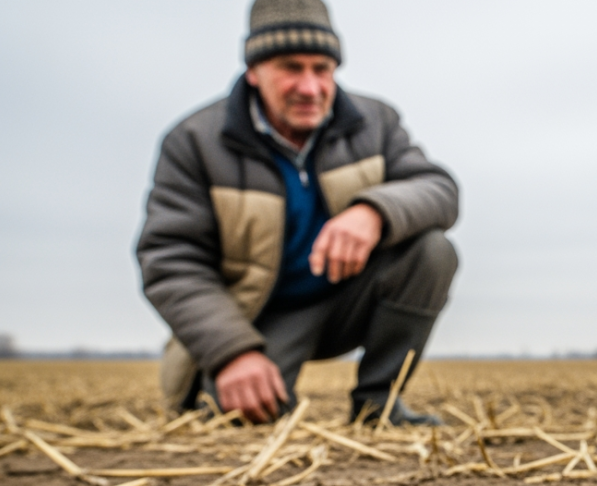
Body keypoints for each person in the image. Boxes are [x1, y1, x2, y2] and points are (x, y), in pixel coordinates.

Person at [136, 0, 458, 425]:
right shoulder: (193, 141)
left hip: (348, 299)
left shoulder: (375, 121)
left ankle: (379, 406)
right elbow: (170, 260)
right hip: (257, 319)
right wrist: (231, 351)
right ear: (253, 70)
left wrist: (374, 212)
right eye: (291, 68)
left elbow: (439, 189)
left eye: (321, 69)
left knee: (432, 251)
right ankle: (240, 378)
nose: (310, 87)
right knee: (234, 421)